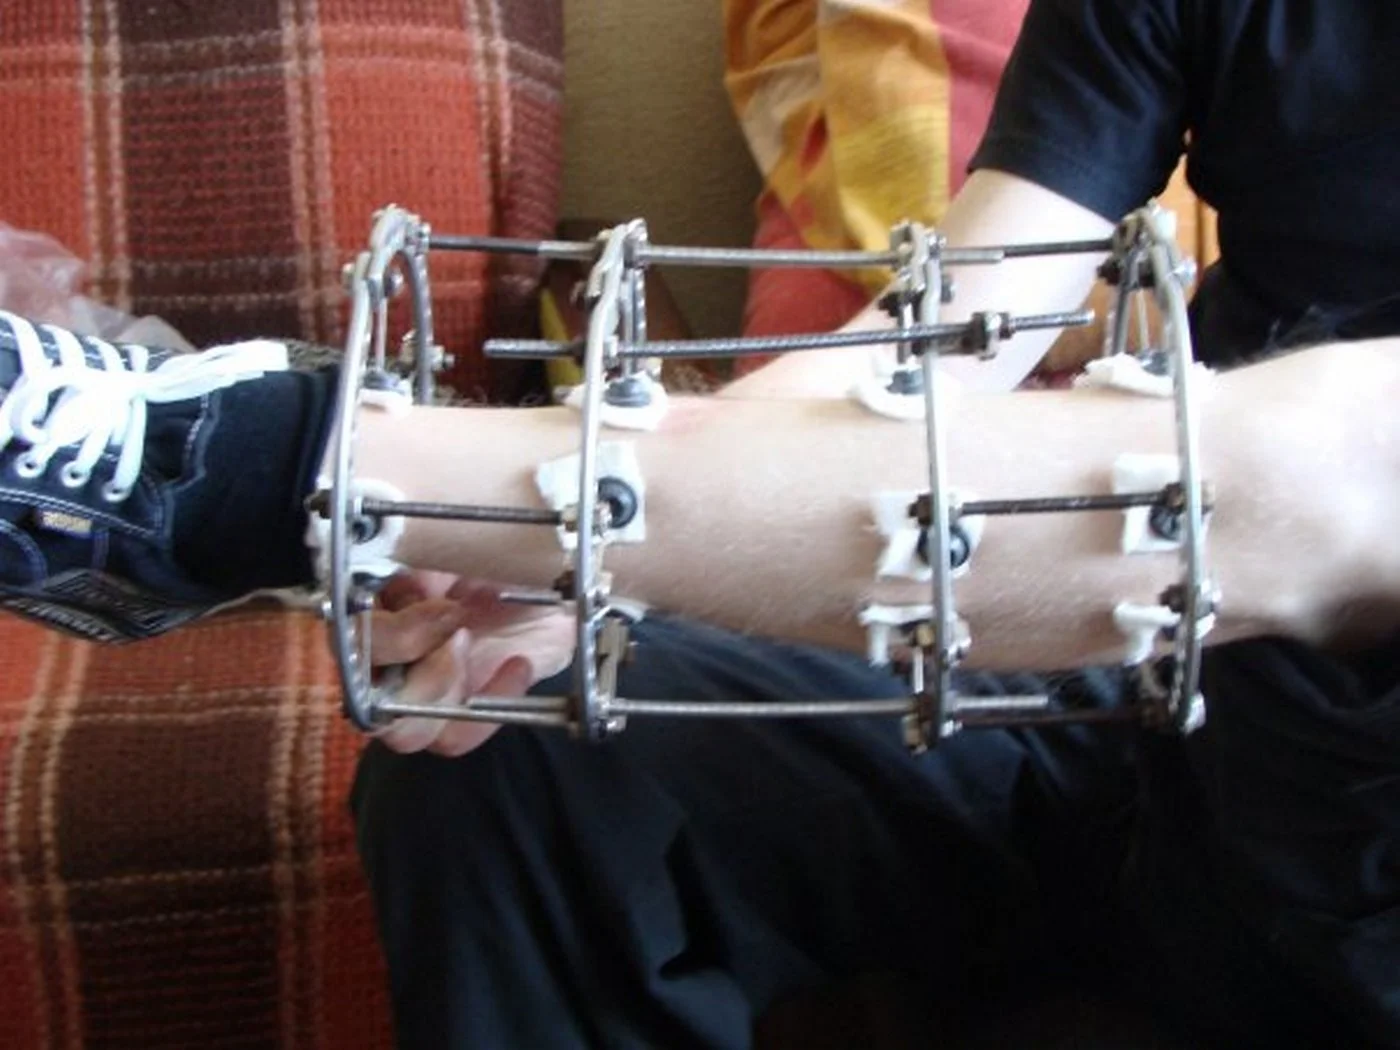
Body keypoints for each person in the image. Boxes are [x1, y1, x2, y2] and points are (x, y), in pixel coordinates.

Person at [0, 4, 1396, 1049]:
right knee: (524, 748)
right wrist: (607, 555)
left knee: (1351, 452)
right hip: (1169, 754)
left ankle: (247, 464)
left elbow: (1335, 474)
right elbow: (939, 342)